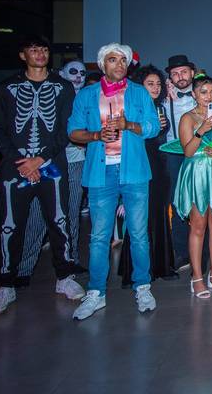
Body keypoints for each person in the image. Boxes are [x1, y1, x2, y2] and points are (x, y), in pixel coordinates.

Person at [0, 36, 83, 315]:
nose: (39, 54)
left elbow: (67, 127)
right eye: (33, 50)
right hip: (15, 166)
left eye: (43, 50)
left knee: (60, 220)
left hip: (51, 164)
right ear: (22, 55)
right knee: (9, 225)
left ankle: (65, 277)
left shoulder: (62, 87)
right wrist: (23, 161)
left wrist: (40, 159)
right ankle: (5, 284)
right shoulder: (7, 88)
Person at [67, 43, 160, 320]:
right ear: (102, 64)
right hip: (100, 173)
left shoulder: (140, 93)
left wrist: (129, 125)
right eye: (112, 60)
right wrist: (96, 136)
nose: (119, 65)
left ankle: (142, 286)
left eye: (123, 60)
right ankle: (96, 292)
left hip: (133, 172)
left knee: (139, 233)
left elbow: (153, 127)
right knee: (99, 236)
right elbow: (73, 131)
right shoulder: (86, 95)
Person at [175, 75, 212, 297]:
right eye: (203, 92)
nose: (208, 96)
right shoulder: (187, 118)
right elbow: (188, 152)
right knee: (198, 226)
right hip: (197, 173)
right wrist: (203, 128)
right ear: (194, 94)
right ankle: (197, 277)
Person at [118, 65, 177, 285]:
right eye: (150, 83)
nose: (155, 87)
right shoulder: (134, 109)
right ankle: (134, 271)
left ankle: (161, 266)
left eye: (158, 84)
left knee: (160, 215)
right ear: (139, 86)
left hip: (161, 169)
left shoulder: (160, 107)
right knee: (138, 220)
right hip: (140, 166)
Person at [162, 54, 198, 271]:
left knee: (201, 202)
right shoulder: (164, 98)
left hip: (199, 154)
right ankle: (182, 252)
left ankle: (203, 251)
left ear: (192, 73)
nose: (180, 77)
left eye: (184, 72)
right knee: (177, 202)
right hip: (173, 155)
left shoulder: (203, 94)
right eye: (175, 73)